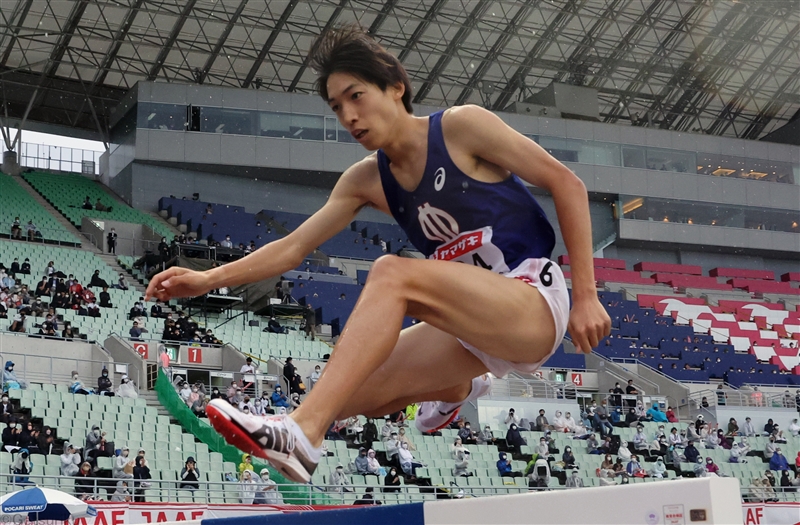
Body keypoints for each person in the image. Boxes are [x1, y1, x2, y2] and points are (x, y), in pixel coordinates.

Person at [147, 26, 610, 483]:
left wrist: (586, 295)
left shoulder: (460, 127)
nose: (348, 116)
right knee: (354, 392)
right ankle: (454, 389)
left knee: (392, 273)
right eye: (336, 107)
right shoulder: (364, 180)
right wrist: (207, 279)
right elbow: (293, 248)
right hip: (473, 326)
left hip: (530, 299)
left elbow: (566, 183)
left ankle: (302, 437)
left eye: (356, 96)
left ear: (395, 88)